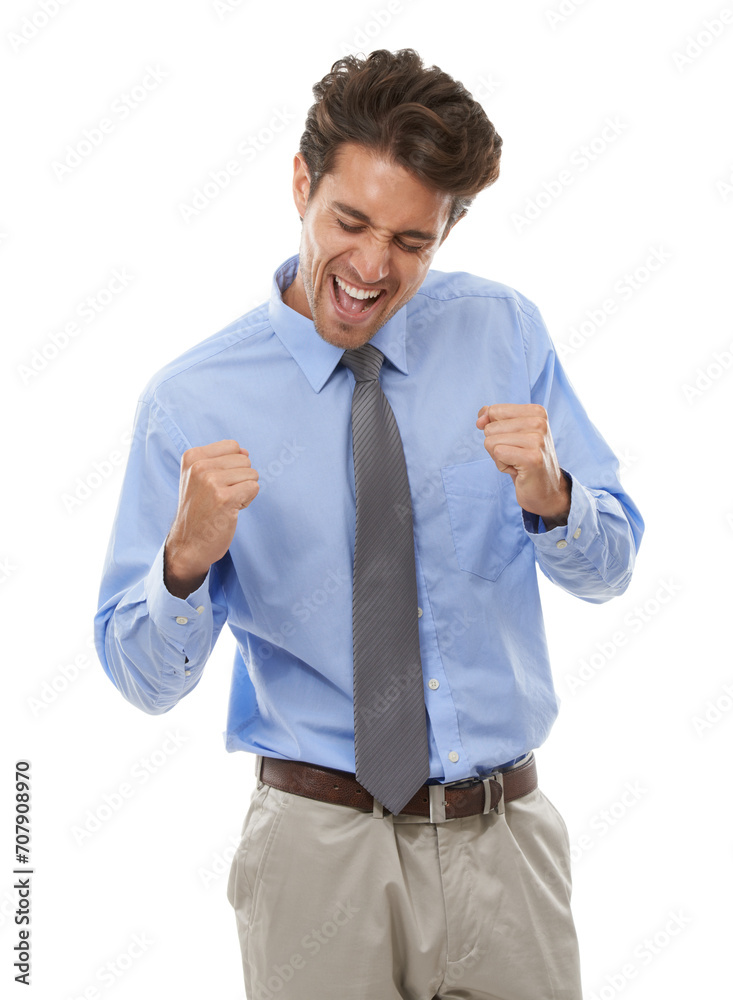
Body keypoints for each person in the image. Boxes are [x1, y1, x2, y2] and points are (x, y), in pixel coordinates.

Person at [94, 48, 643, 1000]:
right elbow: (139, 680)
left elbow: (610, 569)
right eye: (349, 221)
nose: (371, 267)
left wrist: (553, 496)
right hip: (319, 856)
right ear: (301, 184)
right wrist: (183, 563)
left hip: (505, 846)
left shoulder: (504, 333)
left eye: (412, 242)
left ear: (446, 230)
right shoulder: (193, 401)